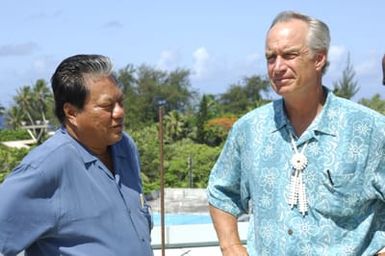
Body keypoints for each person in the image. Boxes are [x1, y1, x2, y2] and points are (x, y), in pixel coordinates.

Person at [207, 11, 385, 256]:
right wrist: (231, 246)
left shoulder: (370, 130)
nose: (278, 67)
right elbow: (221, 191)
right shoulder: (249, 130)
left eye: (289, 55)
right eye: (271, 58)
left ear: (318, 59)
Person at [0, 54, 154, 256]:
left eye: (121, 102)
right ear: (71, 113)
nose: (119, 113)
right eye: (107, 106)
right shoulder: (45, 168)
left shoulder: (125, 147)